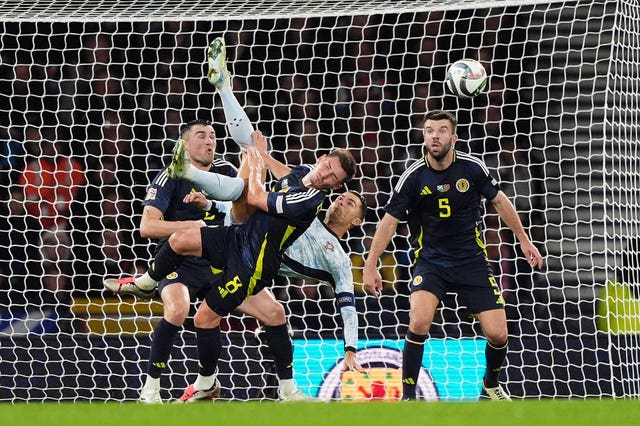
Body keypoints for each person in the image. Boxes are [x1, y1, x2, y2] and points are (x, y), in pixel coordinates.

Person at [105, 36, 359, 404]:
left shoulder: (309, 200)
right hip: (229, 240)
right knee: (182, 241)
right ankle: (147, 287)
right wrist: (246, 168)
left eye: (333, 179)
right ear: (319, 159)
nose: (324, 176)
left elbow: (252, 194)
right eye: (326, 167)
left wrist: (238, 173)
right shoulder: (300, 172)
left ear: (333, 187)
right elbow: (252, 154)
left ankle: (267, 388)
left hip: (251, 258)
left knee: (220, 316)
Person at [362, 110, 543, 401]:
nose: (435, 135)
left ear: (454, 137)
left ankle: (490, 385)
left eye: (442, 130)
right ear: (423, 137)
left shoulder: (472, 168)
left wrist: (524, 240)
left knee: (499, 335)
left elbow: (499, 200)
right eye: (429, 130)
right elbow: (389, 221)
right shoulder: (412, 176)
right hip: (431, 261)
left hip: (471, 260)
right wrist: (371, 264)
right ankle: (408, 397)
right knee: (419, 322)